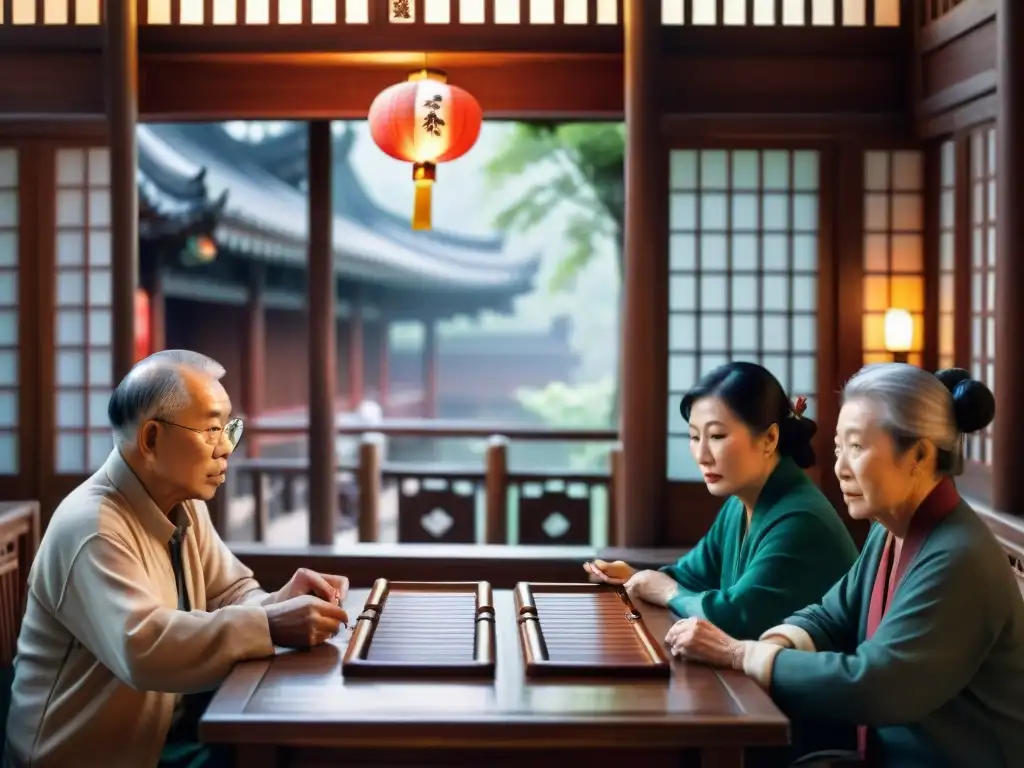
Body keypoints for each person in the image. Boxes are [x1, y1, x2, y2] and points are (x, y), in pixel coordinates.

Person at [3, 350, 351, 768]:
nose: (226, 448)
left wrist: (280, 602)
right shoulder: (92, 526)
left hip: (164, 741)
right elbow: (143, 647)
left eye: (228, 429)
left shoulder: (183, 503)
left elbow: (232, 591)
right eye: (210, 430)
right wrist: (270, 624)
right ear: (151, 439)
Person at [668, 364, 1024, 767]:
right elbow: (830, 614)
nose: (839, 467)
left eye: (857, 447)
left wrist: (741, 655)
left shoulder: (959, 557)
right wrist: (776, 645)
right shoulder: (890, 531)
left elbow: (876, 685)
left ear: (919, 455)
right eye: (838, 448)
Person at [586, 362, 858, 640]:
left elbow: (735, 618)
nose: (702, 454)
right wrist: (634, 575)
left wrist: (667, 591)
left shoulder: (801, 519)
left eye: (716, 436)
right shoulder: (740, 504)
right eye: (694, 436)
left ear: (769, 439)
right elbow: (691, 576)